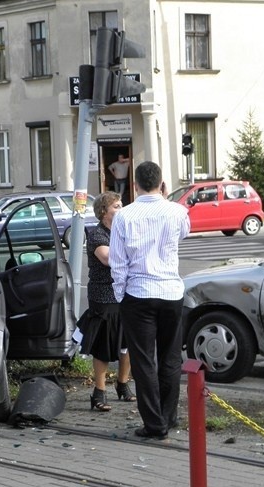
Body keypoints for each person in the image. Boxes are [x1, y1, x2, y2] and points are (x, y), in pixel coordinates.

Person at [109, 161, 190, 440]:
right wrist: (166, 200)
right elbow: (183, 234)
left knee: (143, 361)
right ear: (162, 184)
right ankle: (168, 417)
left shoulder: (124, 216)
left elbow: (118, 263)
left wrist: (121, 296)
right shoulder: (178, 212)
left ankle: (154, 424)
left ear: (135, 185)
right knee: (170, 358)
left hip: (139, 293)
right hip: (171, 292)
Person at [77, 191, 136, 411]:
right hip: (103, 297)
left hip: (125, 294)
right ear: (104, 212)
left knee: (125, 343)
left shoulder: (123, 232)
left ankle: (123, 384)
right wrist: (132, 254)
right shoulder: (97, 234)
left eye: (121, 205)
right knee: (103, 346)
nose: (121, 209)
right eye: (116, 206)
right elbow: (108, 258)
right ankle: (99, 393)